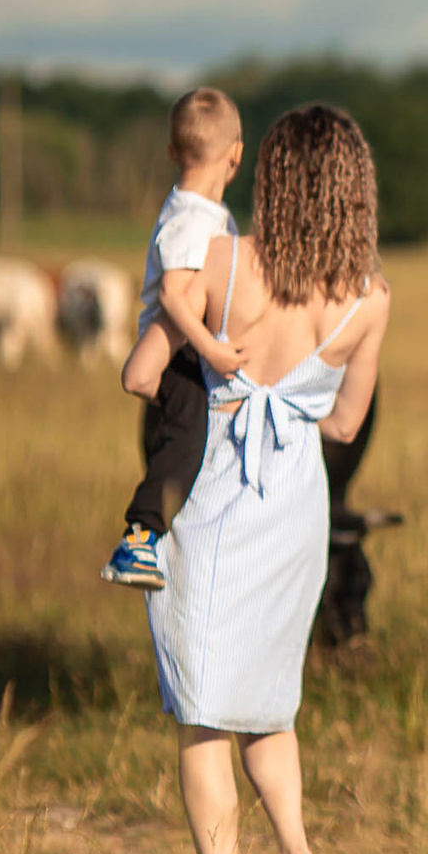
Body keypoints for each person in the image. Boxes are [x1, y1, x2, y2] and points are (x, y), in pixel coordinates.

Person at [122, 104, 392, 854]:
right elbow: (347, 424)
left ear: (266, 175)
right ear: (356, 189)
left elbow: (146, 369)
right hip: (295, 512)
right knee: (269, 705)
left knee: (205, 716)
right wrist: (298, 399)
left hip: (214, 506)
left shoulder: (225, 262)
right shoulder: (373, 298)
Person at [100, 87, 249, 589]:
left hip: (186, 351)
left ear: (171, 152)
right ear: (237, 153)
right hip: (180, 357)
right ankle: (138, 538)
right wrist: (211, 351)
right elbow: (173, 293)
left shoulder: (197, 212)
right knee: (184, 441)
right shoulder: (194, 221)